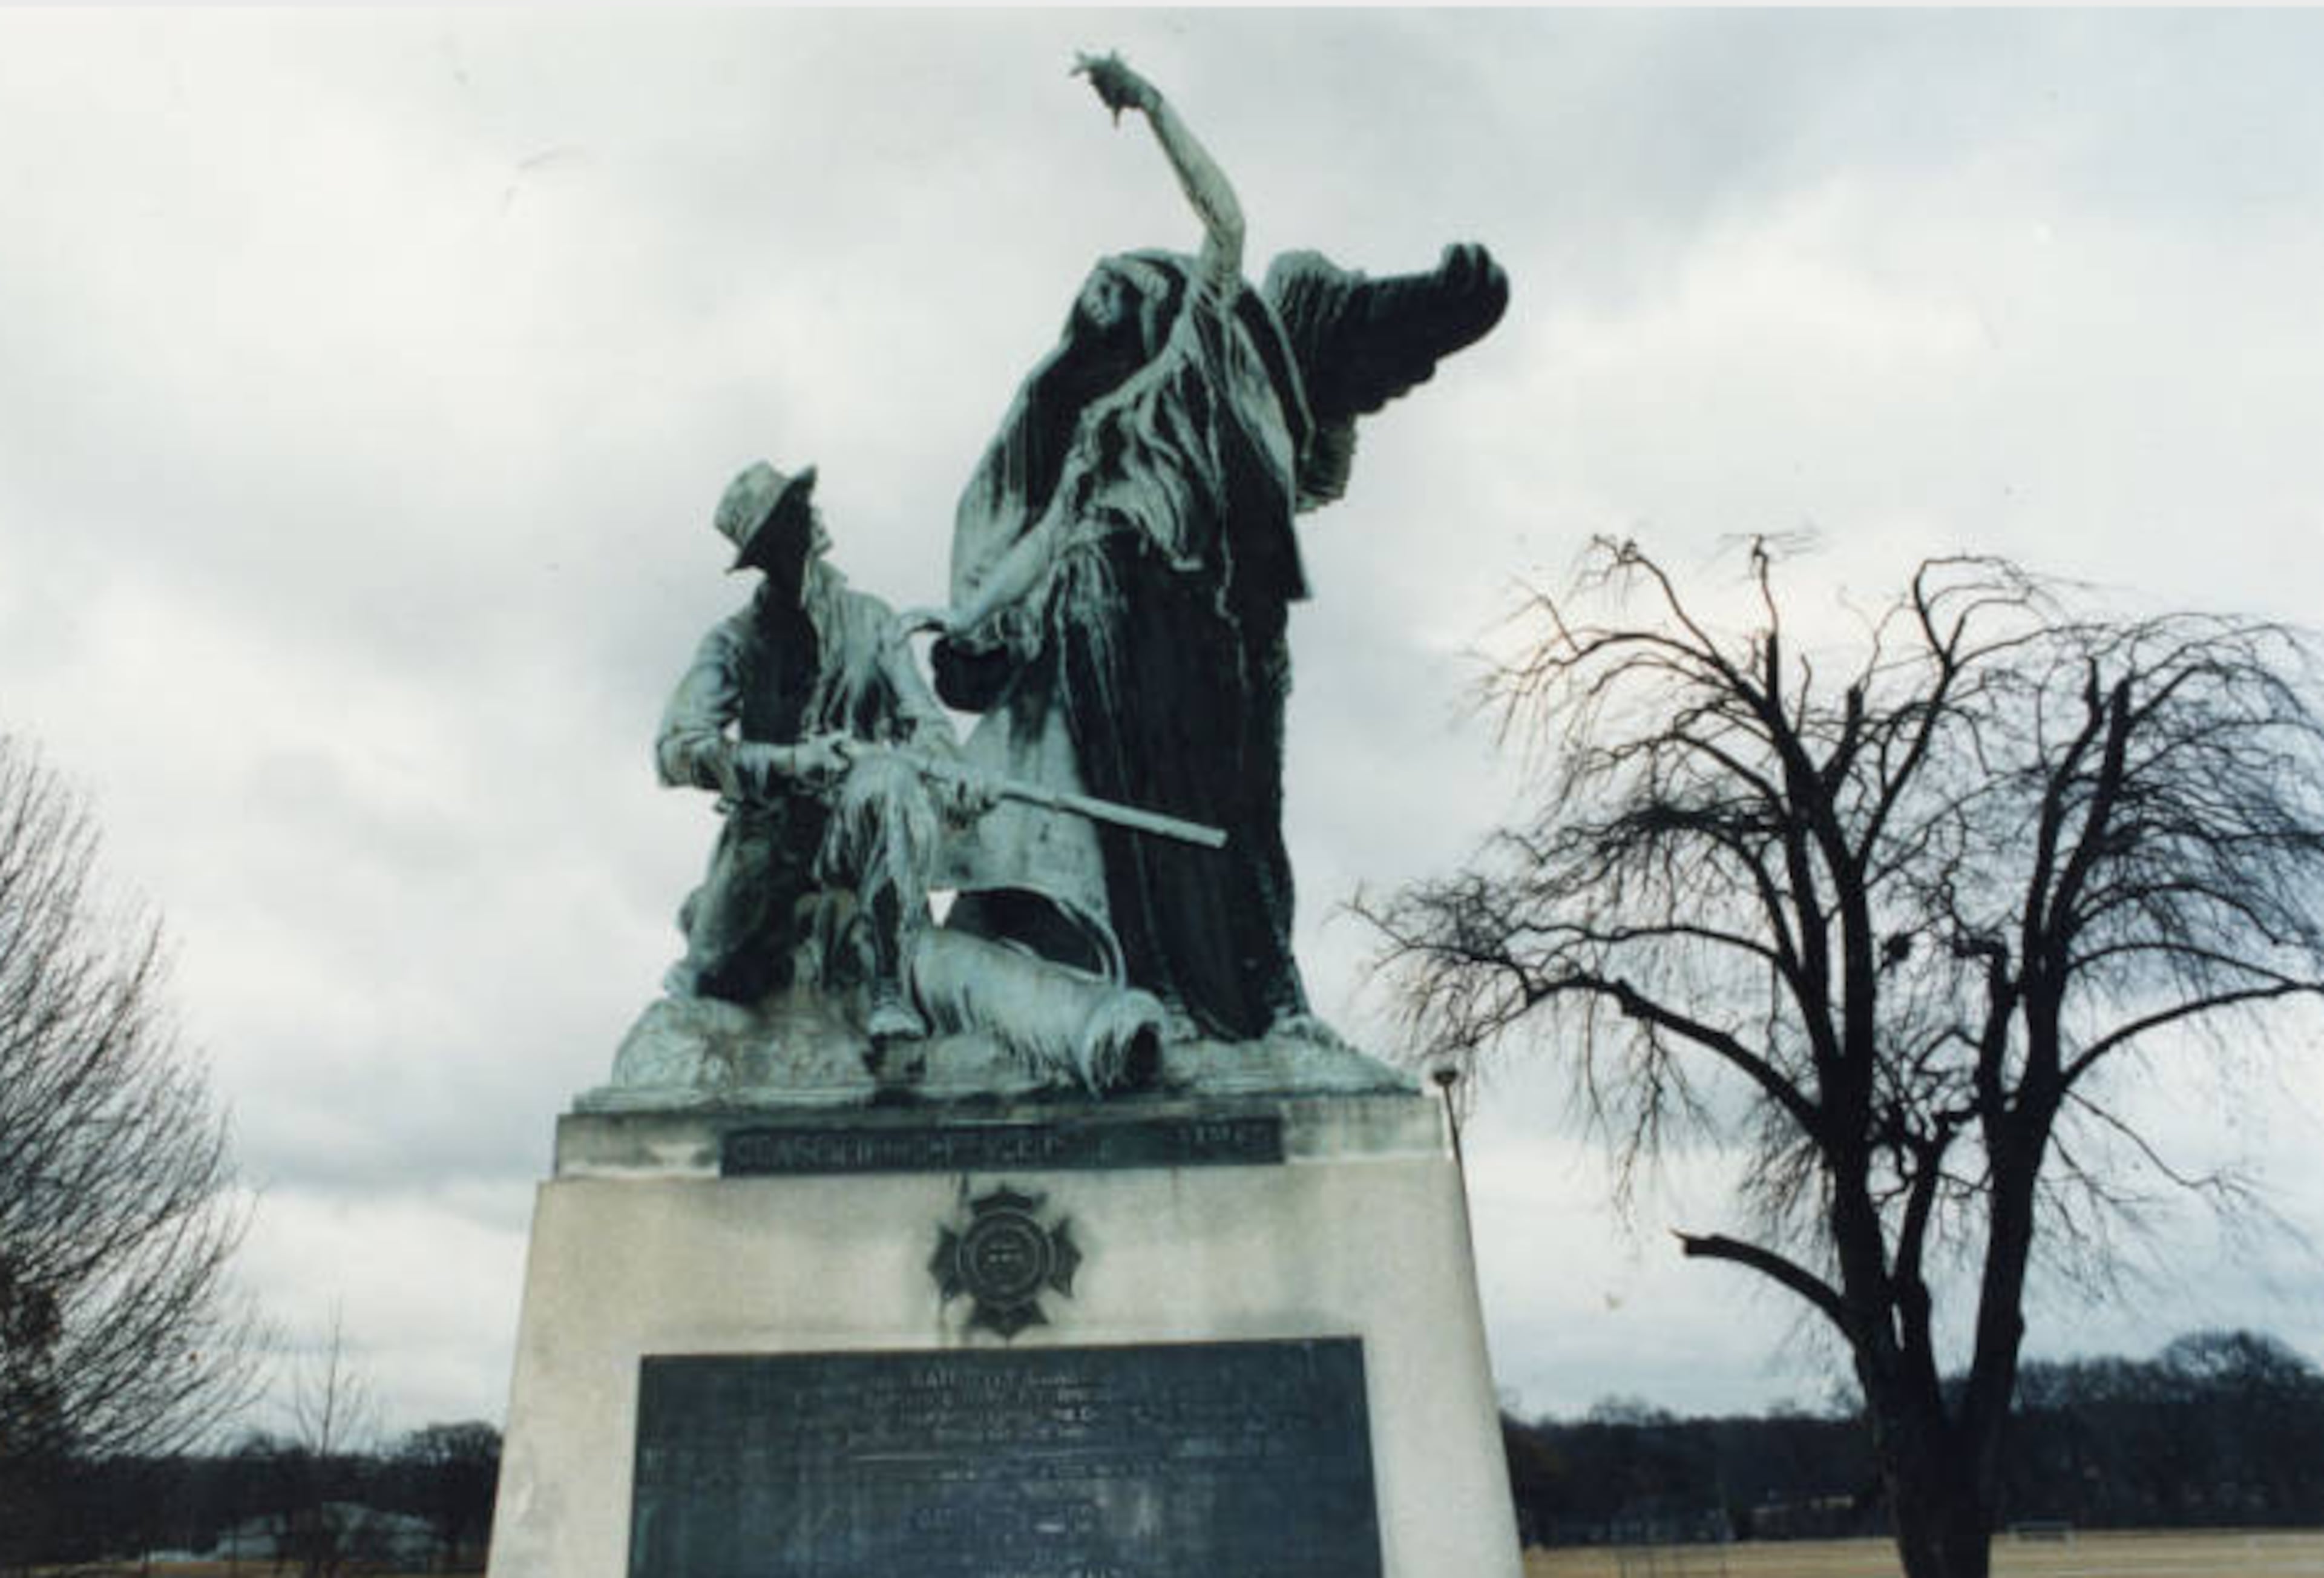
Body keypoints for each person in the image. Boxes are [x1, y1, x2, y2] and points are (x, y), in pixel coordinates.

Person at [925, 54, 1508, 1043]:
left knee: (1243, 815)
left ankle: (1263, 1000)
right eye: (1095, 298)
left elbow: (1227, 224)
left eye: (1120, 290)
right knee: (1145, 815)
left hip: (1218, 615)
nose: (1103, 305)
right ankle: (1171, 996)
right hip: (1118, 609)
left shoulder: (1201, 346)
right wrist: (971, 619)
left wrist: (1151, 105)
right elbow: (1047, 541)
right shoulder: (1093, 438)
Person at [657, 460, 958, 1040]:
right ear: (771, 543)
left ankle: (889, 988)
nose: (815, 512)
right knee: (699, 983)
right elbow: (676, 749)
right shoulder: (734, 641)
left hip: (862, 830)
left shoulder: (871, 621)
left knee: (889, 782)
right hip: (771, 841)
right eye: (797, 508)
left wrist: (949, 769)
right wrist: (789, 764)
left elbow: (927, 724)